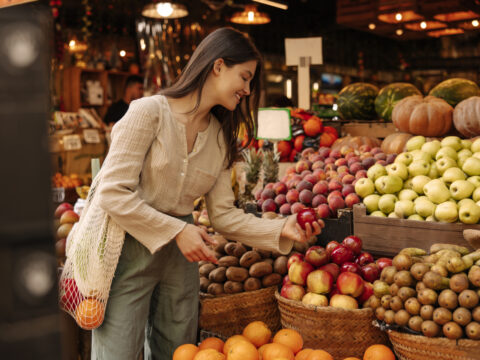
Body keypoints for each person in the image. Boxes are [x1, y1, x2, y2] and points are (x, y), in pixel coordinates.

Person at [92, 27, 323, 360]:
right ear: (217, 66)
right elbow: (112, 193)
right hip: (127, 248)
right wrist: (177, 230)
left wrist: (281, 228)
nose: (247, 89)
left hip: (183, 259)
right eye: (244, 77)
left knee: (179, 350)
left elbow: (223, 215)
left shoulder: (220, 137)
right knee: (117, 351)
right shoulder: (148, 113)